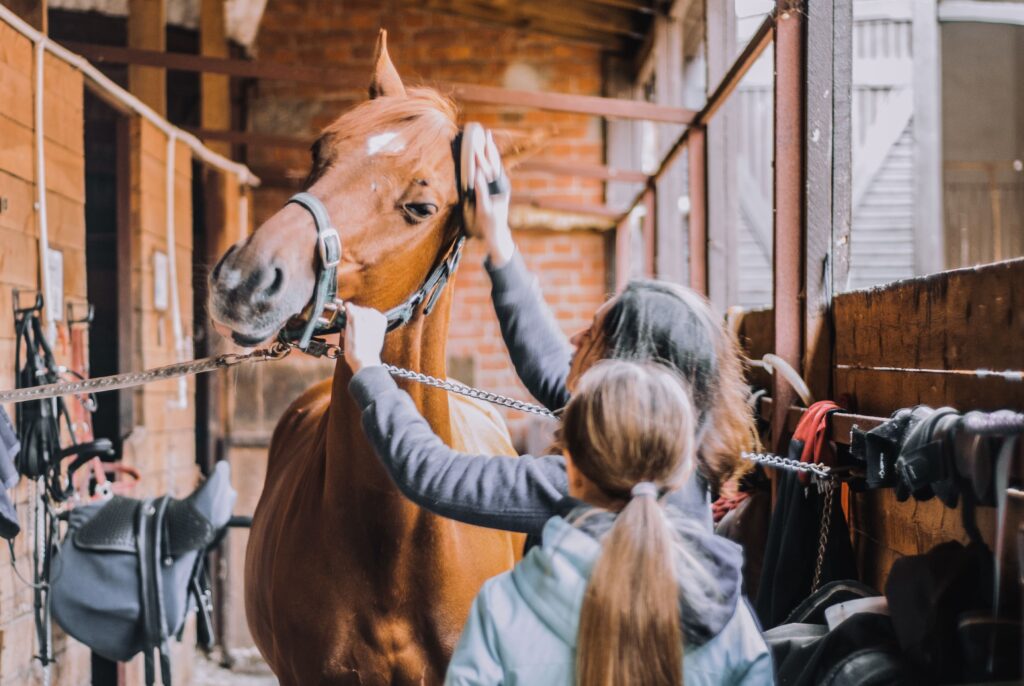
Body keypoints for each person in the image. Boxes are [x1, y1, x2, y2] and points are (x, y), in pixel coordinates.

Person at [343, 129, 756, 539]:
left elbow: (436, 476)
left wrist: (370, 371)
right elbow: (549, 366)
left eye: (594, 336)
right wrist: (498, 239)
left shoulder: (592, 481)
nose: (574, 339)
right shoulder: (671, 451)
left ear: (629, 372)